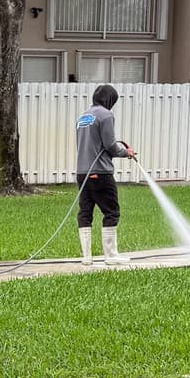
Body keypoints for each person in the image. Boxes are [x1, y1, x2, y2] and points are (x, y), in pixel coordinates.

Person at [75, 83, 135, 264]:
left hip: (82, 172)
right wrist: (127, 153)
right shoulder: (106, 115)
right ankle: (111, 256)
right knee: (111, 212)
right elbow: (110, 145)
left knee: (85, 212)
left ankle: (86, 257)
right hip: (101, 172)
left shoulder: (83, 117)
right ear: (110, 100)